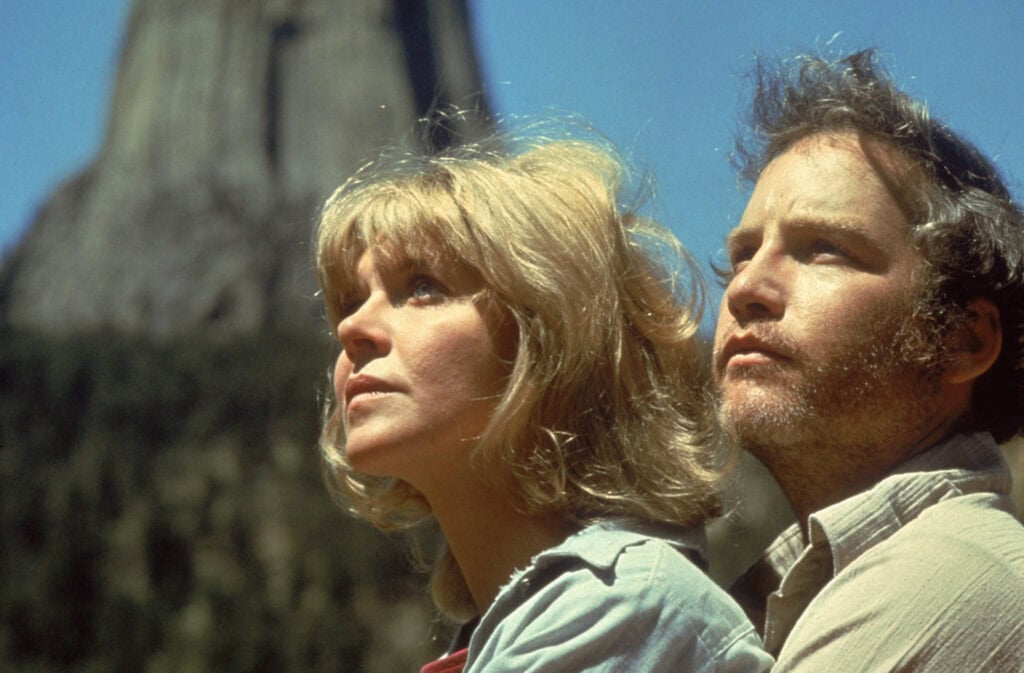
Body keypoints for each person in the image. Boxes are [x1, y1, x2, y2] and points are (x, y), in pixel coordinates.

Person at [314, 127, 772, 673]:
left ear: (552, 338)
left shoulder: (620, 610)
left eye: (422, 287)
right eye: (351, 301)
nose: (351, 328)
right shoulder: (543, 623)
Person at [714, 48, 1024, 671]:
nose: (745, 287)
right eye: (743, 253)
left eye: (824, 249)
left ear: (962, 340)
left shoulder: (948, 579)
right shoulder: (782, 593)